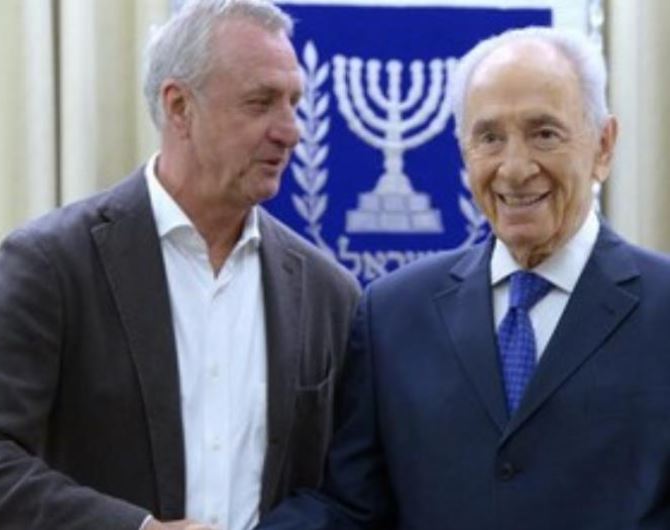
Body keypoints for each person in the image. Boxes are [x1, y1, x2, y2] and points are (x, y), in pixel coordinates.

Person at [0, 1, 360, 529]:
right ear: (179, 106)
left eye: (294, 102)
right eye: (260, 102)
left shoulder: (329, 292)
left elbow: (346, 491)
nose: (291, 131)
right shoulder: (52, 263)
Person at [256, 26, 670, 529]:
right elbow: (351, 508)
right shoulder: (393, 315)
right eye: (489, 137)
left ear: (603, 146)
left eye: (544, 133)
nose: (514, 169)